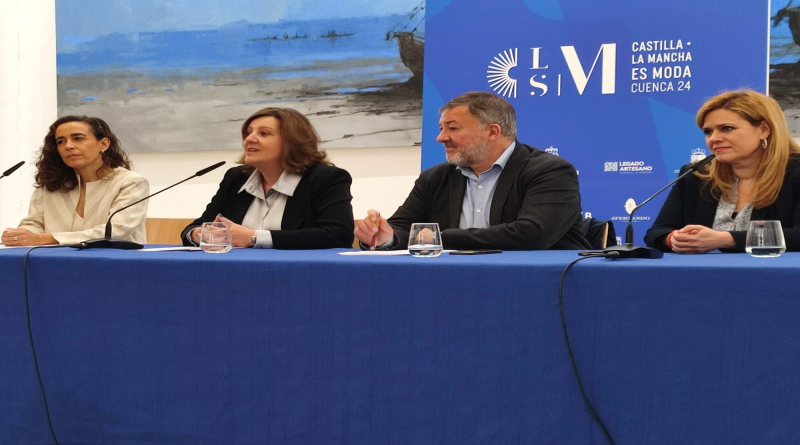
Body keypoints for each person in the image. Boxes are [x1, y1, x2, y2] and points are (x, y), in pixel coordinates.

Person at [354, 91, 590, 251]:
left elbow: (533, 234)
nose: (440, 138)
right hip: (455, 281)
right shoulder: (436, 178)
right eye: (441, 128)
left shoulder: (550, 171)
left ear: (492, 132)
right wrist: (384, 237)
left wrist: (439, 238)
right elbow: (403, 228)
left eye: (453, 128)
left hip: (542, 284)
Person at [645, 89, 800, 253]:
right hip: (702, 269)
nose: (713, 138)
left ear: (764, 129)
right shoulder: (697, 175)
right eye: (708, 132)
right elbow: (657, 232)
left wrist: (726, 240)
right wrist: (674, 239)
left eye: (726, 128)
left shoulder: (795, 172)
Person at [181, 107, 354, 249]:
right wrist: (200, 234)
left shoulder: (325, 178)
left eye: (264, 133)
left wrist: (253, 238)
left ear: (292, 142)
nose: (249, 139)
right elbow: (197, 226)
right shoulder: (236, 178)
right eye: (248, 133)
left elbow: (337, 235)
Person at [1, 116, 149, 246]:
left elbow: (115, 232)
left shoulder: (130, 182)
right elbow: (34, 224)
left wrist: (45, 239)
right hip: (54, 263)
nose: (68, 146)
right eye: (60, 141)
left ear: (103, 144)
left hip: (115, 262)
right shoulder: (51, 183)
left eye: (78, 138)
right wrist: (20, 235)